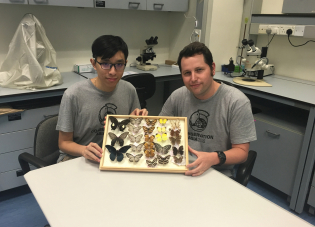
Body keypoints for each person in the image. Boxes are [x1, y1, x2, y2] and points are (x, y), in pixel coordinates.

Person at [159, 42, 256, 177]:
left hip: (217, 172)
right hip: (181, 167)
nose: (193, 78)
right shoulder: (177, 97)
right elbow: (160, 132)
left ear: (212, 68)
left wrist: (214, 158)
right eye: (187, 73)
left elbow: (242, 152)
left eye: (199, 70)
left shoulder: (236, 102)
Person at [56, 35, 148, 163]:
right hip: (78, 158)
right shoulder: (73, 95)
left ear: (125, 64)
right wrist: (84, 150)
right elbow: (64, 143)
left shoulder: (129, 90)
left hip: (115, 155)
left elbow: (133, 136)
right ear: (94, 64)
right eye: (105, 64)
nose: (112, 72)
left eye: (119, 64)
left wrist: (134, 123)